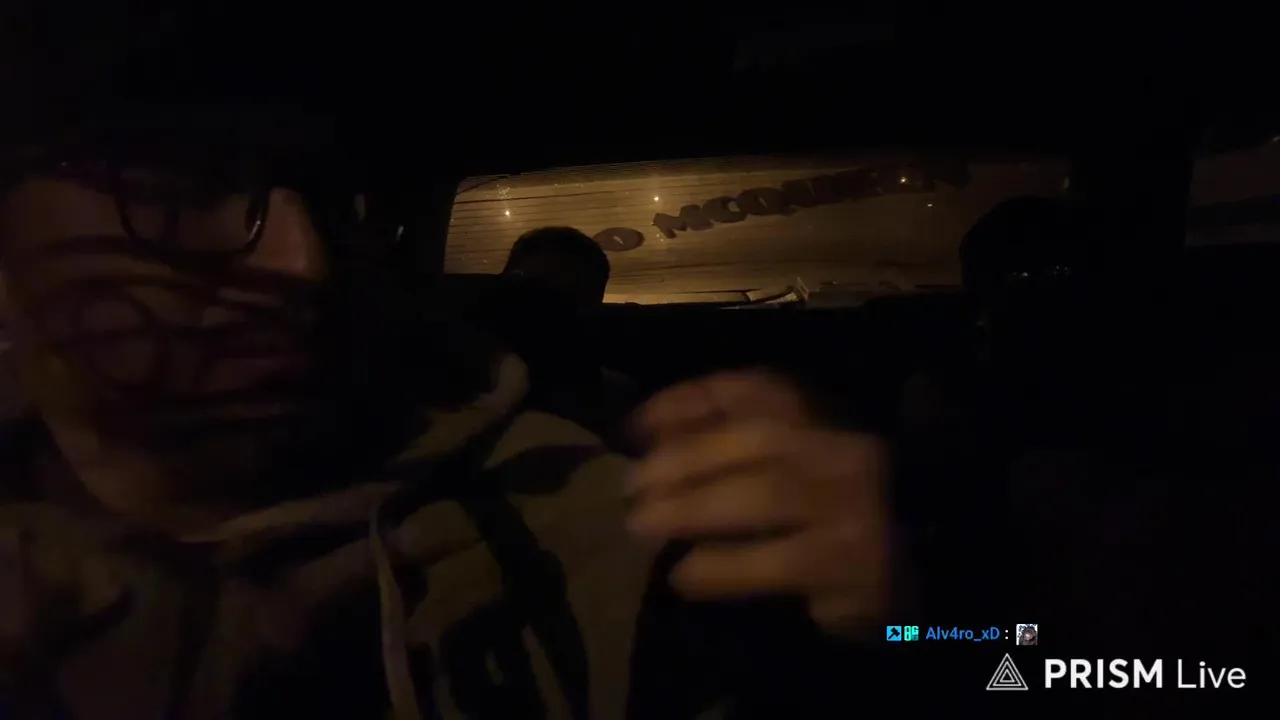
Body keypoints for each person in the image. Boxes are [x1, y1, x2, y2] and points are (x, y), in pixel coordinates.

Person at [0, 107, 893, 719]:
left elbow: (981, 655)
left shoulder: (592, 526)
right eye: (186, 186)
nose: (305, 262)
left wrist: (912, 628)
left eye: (338, 198)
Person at [474, 226, 640, 446]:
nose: (544, 307)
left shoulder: (617, 401)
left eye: (565, 298)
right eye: (533, 290)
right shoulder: (459, 365)